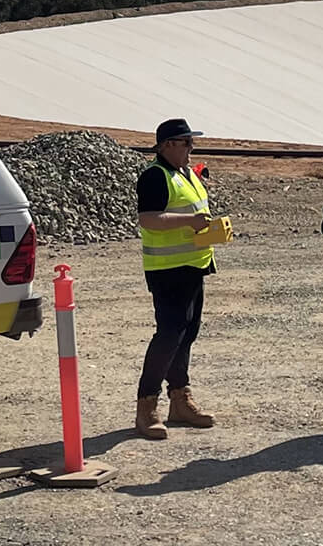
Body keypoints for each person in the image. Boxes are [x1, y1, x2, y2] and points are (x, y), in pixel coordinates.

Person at [133, 117, 218, 440]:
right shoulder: (155, 176)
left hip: (194, 265)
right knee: (169, 334)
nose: (191, 148)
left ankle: (179, 398)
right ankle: (147, 404)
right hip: (168, 270)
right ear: (167, 145)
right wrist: (190, 221)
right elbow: (148, 219)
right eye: (185, 143)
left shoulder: (184, 173)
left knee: (186, 334)